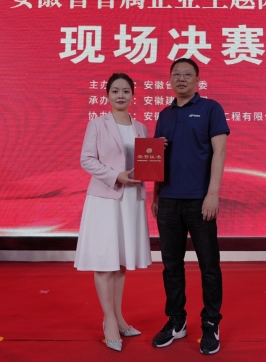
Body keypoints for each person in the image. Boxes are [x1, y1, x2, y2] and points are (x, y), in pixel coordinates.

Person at [151, 58, 229, 355]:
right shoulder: (164, 114)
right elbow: (156, 157)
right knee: (171, 266)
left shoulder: (211, 109)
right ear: (170, 80)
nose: (181, 79)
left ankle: (210, 322)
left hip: (200, 200)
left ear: (198, 80)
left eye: (187, 74)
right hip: (168, 201)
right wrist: (156, 195)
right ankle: (176, 320)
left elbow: (219, 152)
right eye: (176, 74)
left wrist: (213, 194)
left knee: (209, 265)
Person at [74, 73, 152, 352]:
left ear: (133, 95)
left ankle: (119, 317)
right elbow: (86, 159)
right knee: (105, 260)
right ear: (107, 95)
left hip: (131, 201)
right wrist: (115, 176)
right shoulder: (97, 124)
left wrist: (158, 153)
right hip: (105, 199)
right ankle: (108, 320)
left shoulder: (141, 128)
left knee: (120, 261)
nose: (121, 95)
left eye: (126, 91)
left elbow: (146, 163)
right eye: (116, 91)